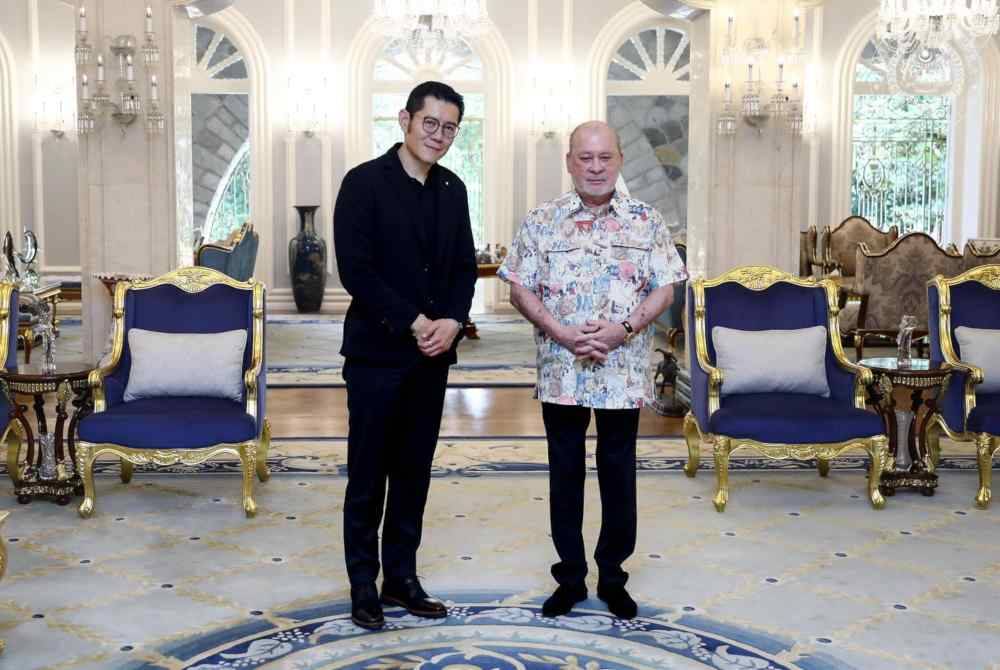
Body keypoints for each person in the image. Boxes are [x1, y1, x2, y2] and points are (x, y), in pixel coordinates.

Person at [498, 120, 687, 619]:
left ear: (619, 159)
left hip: (623, 371)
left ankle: (614, 577)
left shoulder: (647, 220)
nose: (596, 167)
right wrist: (562, 332)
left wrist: (622, 329)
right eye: (586, 158)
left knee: (618, 472)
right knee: (565, 473)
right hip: (561, 369)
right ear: (570, 162)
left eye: (605, 157)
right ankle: (570, 578)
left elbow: (664, 288)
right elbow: (519, 287)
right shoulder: (542, 220)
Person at [334, 81, 477, 630]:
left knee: (414, 472)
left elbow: (464, 267)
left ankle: (402, 577)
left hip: (432, 358)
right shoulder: (363, 184)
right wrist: (417, 322)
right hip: (376, 354)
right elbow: (357, 271)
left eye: (449, 128)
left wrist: (452, 323)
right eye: (430, 124)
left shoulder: (454, 189)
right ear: (405, 120)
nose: (438, 135)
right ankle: (363, 585)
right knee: (368, 474)